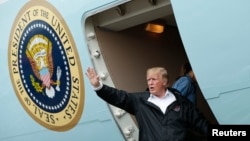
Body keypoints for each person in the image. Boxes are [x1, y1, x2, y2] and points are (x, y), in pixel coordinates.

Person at [86, 67, 209, 141]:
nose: (150, 83)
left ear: (165, 82)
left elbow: (202, 125)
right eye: (148, 80)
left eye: (154, 79)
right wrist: (99, 87)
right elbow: (118, 97)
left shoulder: (182, 103)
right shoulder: (140, 101)